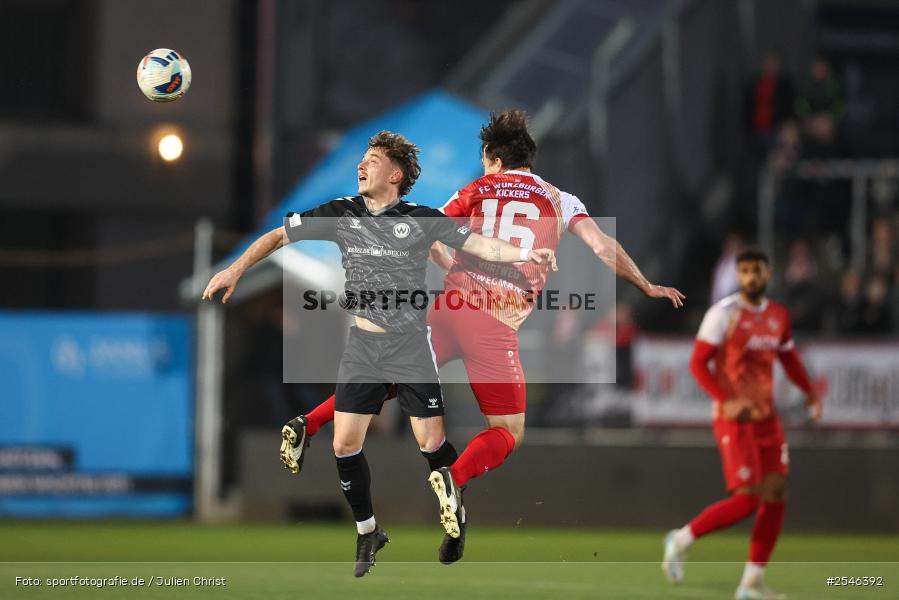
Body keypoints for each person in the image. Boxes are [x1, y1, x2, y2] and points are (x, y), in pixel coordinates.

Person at [280, 111, 685, 564]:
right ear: (526, 158)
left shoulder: (474, 189)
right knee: (507, 431)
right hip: (494, 322)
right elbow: (601, 246)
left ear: (492, 159)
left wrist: (451, 270)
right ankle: (456, 475)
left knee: (384, 376)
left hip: (448, 308)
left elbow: (426, 233)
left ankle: (308, 423)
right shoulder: (559, 198)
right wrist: (645, 284)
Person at [202, 130, 557, 578]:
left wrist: (526, 252)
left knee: (430, 444)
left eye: (371, 159)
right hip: (364, 346)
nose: (361, 165)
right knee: (344, 443)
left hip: (411, 345)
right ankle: (368, 530)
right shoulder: (341, 214)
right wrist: (235, 268)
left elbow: (480, 244)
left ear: (395, 173)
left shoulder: (420, 219)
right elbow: (278, 236)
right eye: (362, 159)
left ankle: (455, 518)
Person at [662, 248, 822, 600]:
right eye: (745, 271)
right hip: (734, 420)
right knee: (749, 500)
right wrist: (726, 399)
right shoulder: (723, 314)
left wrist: (809, 392)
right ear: (738, 275)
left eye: (757, 270)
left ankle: (751, 583)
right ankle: (681, 538)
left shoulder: (778, 315)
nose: (751, 277)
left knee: (776, 494)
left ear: (768, 274)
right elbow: (698, 364)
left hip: (767, 418)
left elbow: (788, 356)